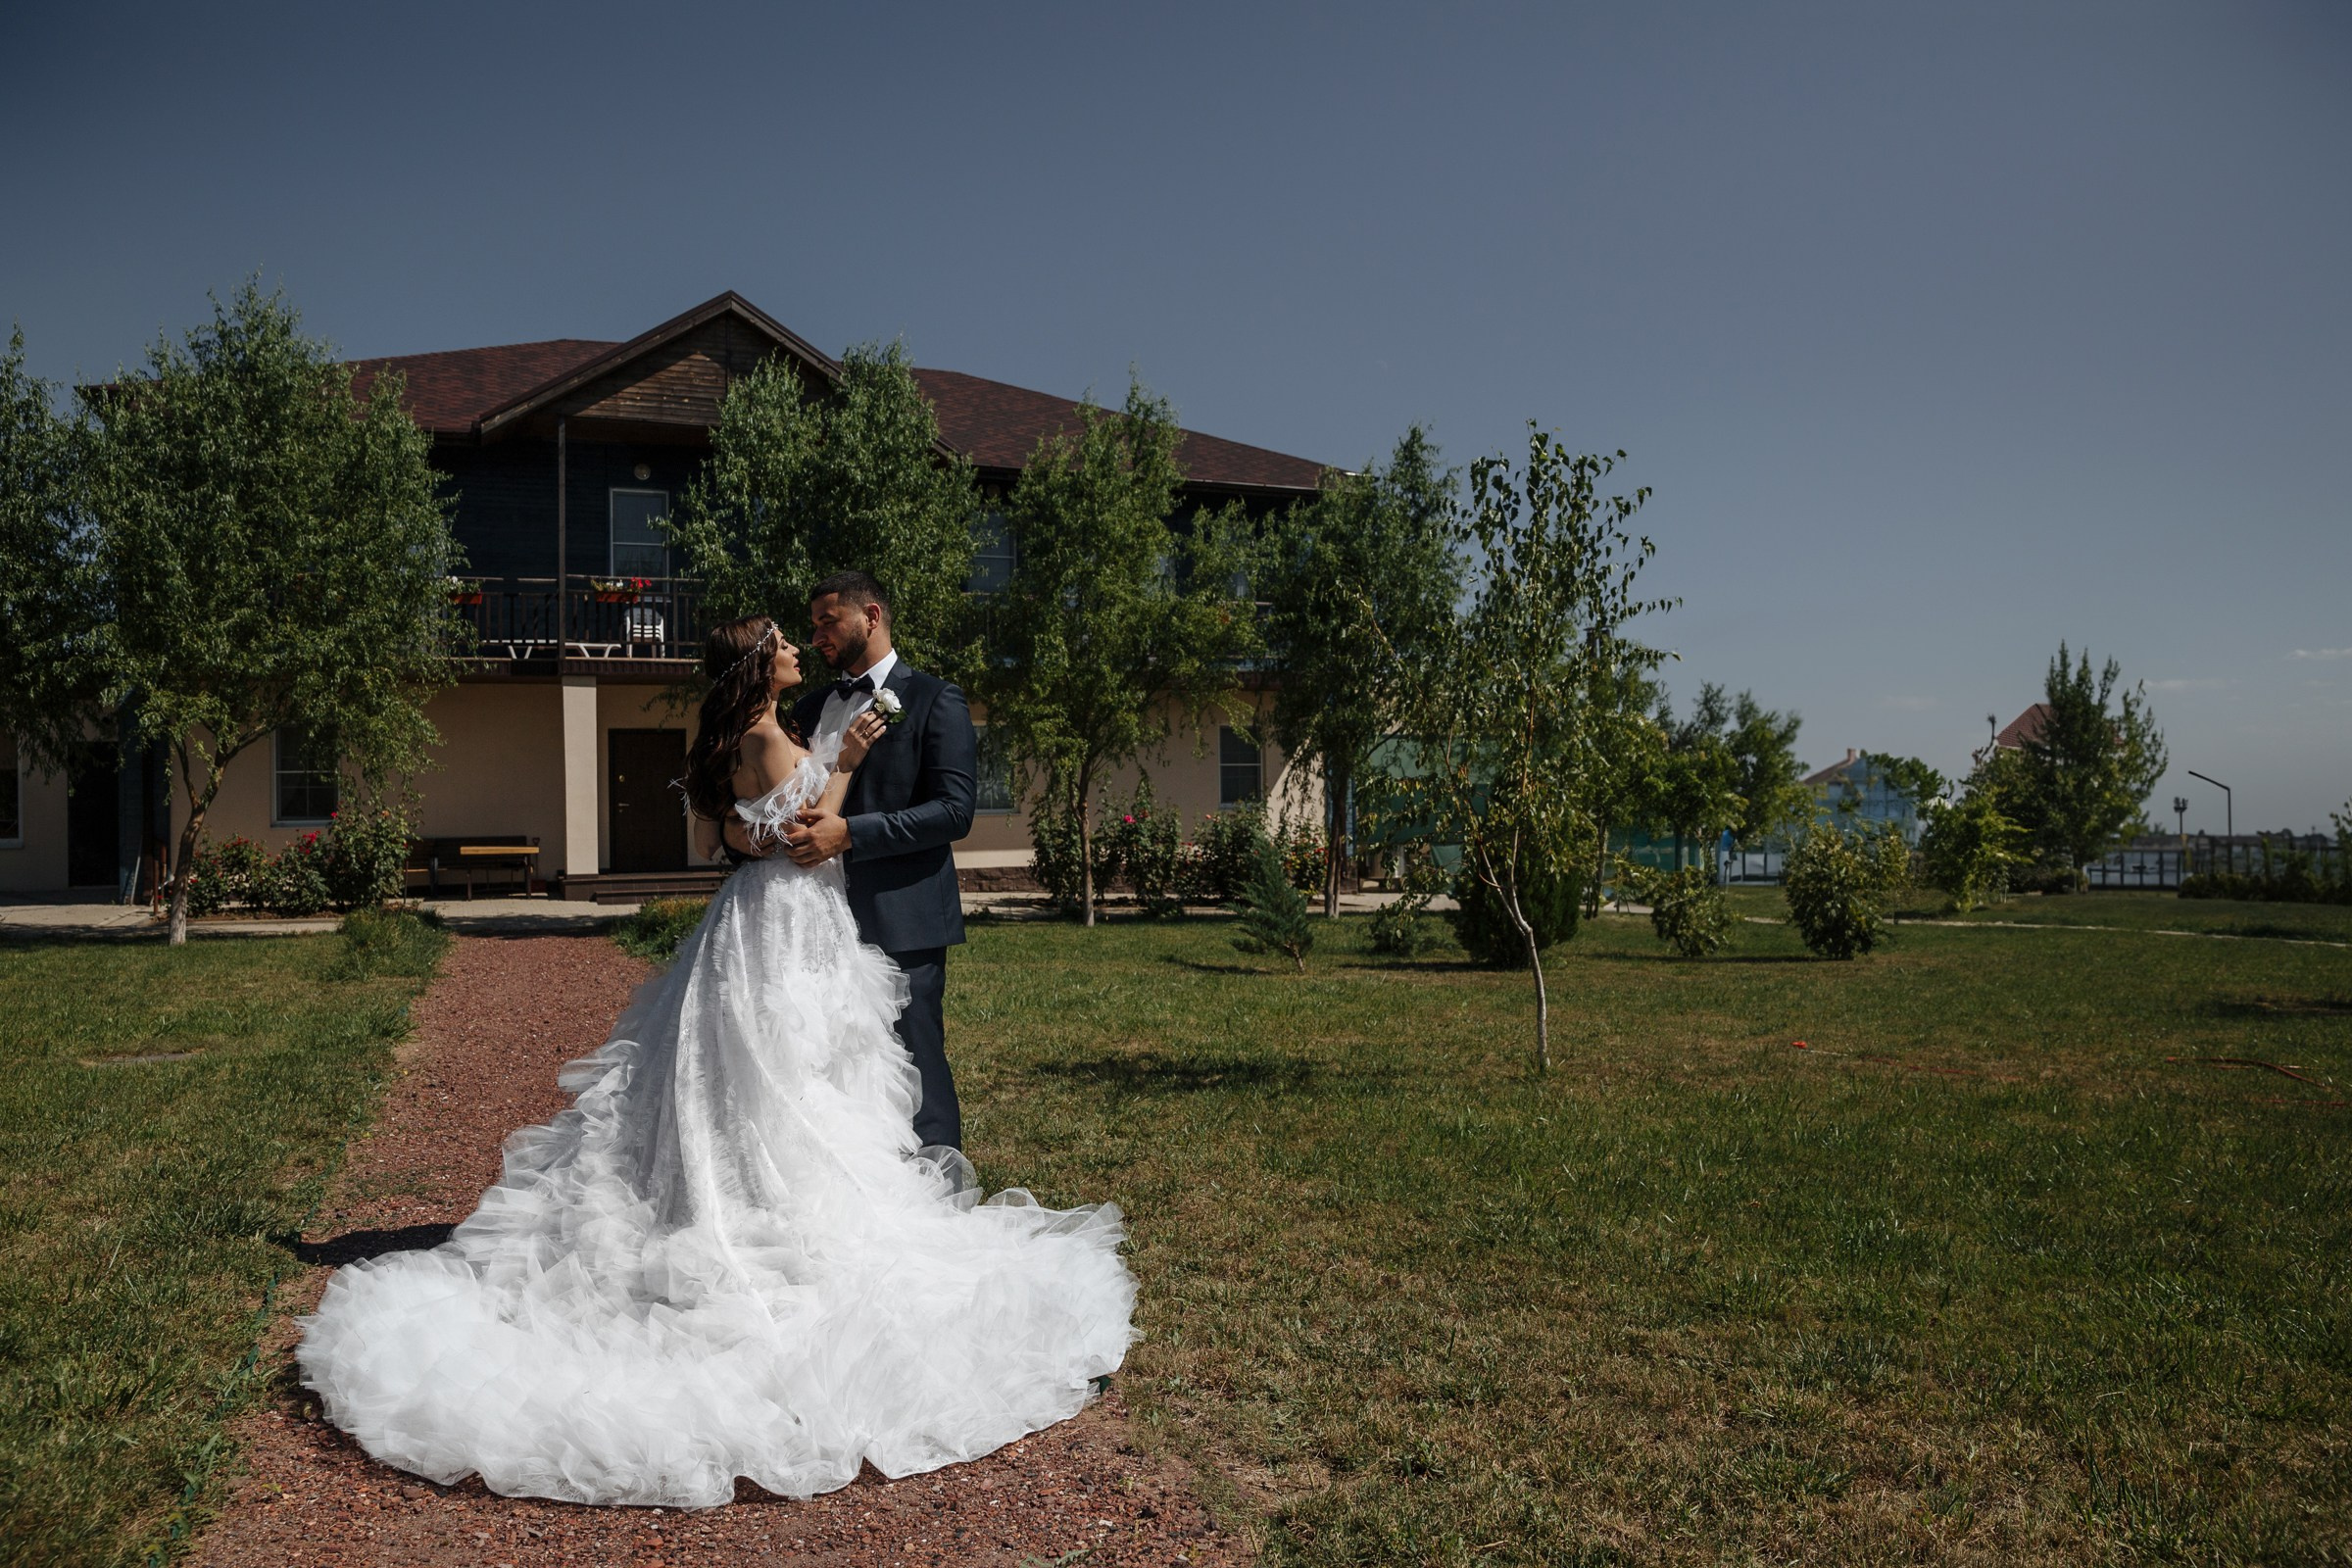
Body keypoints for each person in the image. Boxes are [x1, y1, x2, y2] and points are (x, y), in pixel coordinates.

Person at [295, 612, 1135, 1507]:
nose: (796, 649)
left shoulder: (735, 733)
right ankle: (776, 1220)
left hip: (744, 921)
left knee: (738, 1075)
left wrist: (760, 831)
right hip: (790, 923)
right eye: (782, 640)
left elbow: (725, 839)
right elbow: (811, 831)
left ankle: (715, 1194)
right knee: (786, 1072)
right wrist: (844, 761)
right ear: (760, 668)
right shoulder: (774, 731)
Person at [720, 570, 974, 1152]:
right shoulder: (805, 709)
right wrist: (738, 838)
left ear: (871, 616)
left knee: (912, 1055)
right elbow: (765, 799)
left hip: (900, 912)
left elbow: (954, 812)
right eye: (811, 627)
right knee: (831, 1060)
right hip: (810, 921)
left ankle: (939, 1182)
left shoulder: (936, 699)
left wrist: (851, 834)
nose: (817, 637)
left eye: (827, 622)